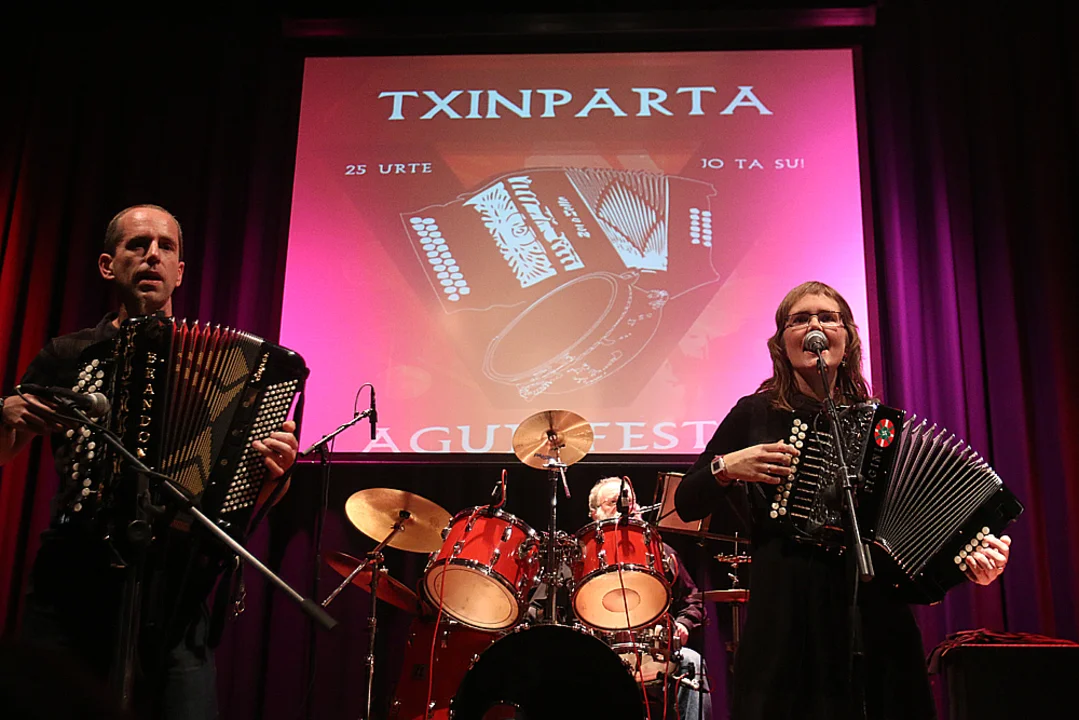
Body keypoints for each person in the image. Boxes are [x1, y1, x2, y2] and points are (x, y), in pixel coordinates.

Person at [0, 204, 300, 719]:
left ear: (180, 272)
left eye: (165, 247)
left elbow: (255, 498)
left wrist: (276, 470)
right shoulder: (68, 354)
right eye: (137, 245)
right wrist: (5, 413)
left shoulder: (237, 369)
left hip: (175, 590)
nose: (152, 256)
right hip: (73, 581)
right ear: (107, 264)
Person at [674, 281, 1012, 720]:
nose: (814, 326)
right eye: (800, 319)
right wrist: (727, 466)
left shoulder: (879, 426)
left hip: (872, 612)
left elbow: (913, 527)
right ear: (781, 343)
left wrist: (970, 562)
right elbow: (686, 502)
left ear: (848, 338)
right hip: (787, 611)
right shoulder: (753, 413)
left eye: (828, 318)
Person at [586, 476, 711, 720]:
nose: (624, 508)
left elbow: (694, 600)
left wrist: (684, 626)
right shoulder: (581, 554)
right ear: (594, 514)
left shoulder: (661, 552)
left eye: (629, 502)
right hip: (597, 652)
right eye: (613, 502)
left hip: (655, 653)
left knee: (692, 662)